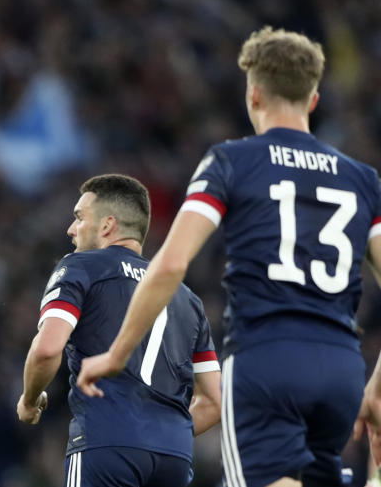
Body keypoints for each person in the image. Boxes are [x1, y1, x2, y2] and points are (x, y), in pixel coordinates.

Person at [76, 27, 381, 487]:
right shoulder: (363, 180)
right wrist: (377, 383)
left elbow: (172, 263)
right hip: (341, 368)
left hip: (265, 361)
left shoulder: (230, 162)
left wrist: (118, 353)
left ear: (253, 95)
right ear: (313, 99)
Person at [17, 174, 222, 487]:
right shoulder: (187, 298)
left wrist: (29, 400)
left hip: (106, 443)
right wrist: (159, 433)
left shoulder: (80, 267)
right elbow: (213, 402)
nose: (71, 229)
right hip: (174, 455)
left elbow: (47, 349)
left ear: (107, 225)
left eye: (79, 217)